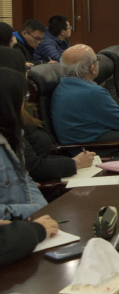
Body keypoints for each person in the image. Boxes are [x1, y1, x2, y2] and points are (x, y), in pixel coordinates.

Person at [0, 48, 94, 182]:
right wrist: (76, 163)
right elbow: (33, 169)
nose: (27, 75)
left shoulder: (21, 110)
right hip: (48, 183)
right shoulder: (8, 120)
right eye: (25, 70)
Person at [0, 68, 58, 267]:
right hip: (17, 237)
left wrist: (42, 211)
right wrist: (35, 222)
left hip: (24, 233)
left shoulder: (12, 135)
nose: (26, 103)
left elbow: (26, 179)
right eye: (23, 97)